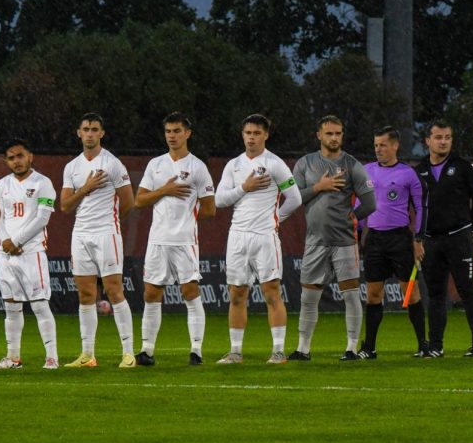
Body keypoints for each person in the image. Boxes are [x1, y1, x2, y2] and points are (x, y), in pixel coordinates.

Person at [214, 114, 302, 364]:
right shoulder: (233, 165)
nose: (251, 138)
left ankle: (277, 351)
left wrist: (275, 221)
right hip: (237, 236)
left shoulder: (275, 164)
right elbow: (219, 201)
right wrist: (245, 187)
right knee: (237, 294)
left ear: (266, 135)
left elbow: (294, 198)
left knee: (271, 292)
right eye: (247, 133)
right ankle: (235, 352)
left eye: (256, 133)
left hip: (265, 236)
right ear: (242, 135)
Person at [290, 115, 376, 361]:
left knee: (350, 294)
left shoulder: (351, 164)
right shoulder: (305, 164)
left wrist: (353, 219)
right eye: (329, 133)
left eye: (338, 133)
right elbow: (294, 197)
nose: (334, 138)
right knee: (309, 296)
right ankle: (303, 349)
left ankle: (350, 348)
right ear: (319, 135)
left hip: (345, 242)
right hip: (315, 241)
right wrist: (319, 187)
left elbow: (370, 203)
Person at [133, 112, 216, 365]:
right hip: (157, 241)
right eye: (168, 131)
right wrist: (165, 190)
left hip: (184, 241)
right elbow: (139, 200)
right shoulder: (156, 165)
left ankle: (196, 350)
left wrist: (185, 221)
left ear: (187, 133)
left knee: (190, 291)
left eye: (177, 131)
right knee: (151, 293)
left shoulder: (197, 167)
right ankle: (147, 351)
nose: (172, 136)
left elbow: (210, 209)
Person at [60, 113, 136, 368]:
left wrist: (109, 221)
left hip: (106, 233)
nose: (90, 133)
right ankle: (87, 355)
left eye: (94, 129)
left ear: (102, 133)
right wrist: (86, 188)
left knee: (114, 290)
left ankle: (128, 353)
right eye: (86, 129)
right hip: (80, 234)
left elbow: (128, 202)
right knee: (85, 294)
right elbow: (65, 206)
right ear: (78, 133)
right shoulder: (72, 167)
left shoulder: (113, 164)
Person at [414, 118, 473, 357]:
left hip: (459, 239)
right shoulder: (418, 170)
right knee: (435, 295)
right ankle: (435, 347)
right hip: (431, 242)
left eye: (447, 137)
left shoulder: (464, 167)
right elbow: (413, 207)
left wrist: (471, 229)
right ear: (427, 141)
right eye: (438, 137)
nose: (443, 142)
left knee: (468, 292)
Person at [359, 126, 427, 358]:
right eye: (376, 145)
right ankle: (369, 347)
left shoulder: (408, 174)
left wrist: (418, 238)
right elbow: (359, 206)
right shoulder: (366, 171)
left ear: (395, 145)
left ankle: (423, 345)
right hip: (375, 239)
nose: (378, 149)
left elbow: (420, 208)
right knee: (373, 295)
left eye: (383, 145)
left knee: (411, 292)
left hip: (399, 238)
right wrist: (356, 235)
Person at [0, 137, 60, 369]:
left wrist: (18, 241)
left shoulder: (43, 183)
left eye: (20, 156)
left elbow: (42, 218)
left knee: (40, 305)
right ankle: (13, 358)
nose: (16, 161)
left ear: (30, 156)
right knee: (11, 307)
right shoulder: (2, 185)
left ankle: (51, 357)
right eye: (11, 158)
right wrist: (6, 240)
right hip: (7, 254)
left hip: (31, 252)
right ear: (5, 161)